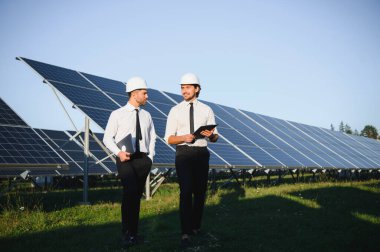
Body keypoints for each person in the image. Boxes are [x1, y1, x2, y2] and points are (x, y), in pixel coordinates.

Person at [164, 73, 219, 248]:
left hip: (202, 153)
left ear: (197, 89)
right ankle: (185, 232)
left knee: (200, 192)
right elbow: (169, 138)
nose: (184, 90)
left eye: (187, 87)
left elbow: (215, 137)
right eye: (182, 87)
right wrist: (183, 138)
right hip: (184, 153)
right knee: (186, 191)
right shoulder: (175, 110)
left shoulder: (207, 110)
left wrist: (212, 135)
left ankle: (196, 227)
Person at [103, 76, 156, 248]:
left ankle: (134, 234)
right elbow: (107, 138)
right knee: (130, 193)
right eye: (144, 93)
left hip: (143, 160)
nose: (147, 96)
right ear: (134, 93)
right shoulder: (117, 114)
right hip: (125, 160)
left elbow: (153, 137)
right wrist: (118, 152)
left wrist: (150, 157)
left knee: (136, 197)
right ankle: (126, 234)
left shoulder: (147, 115)